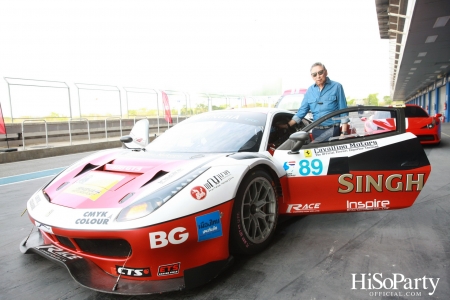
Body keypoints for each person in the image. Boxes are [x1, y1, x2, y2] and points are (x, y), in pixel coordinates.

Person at [282, 62, 349, 140]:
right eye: (314, 74)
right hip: (316, 131)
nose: (318, 76)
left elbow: (343, 110)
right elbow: (302, 111)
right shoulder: (310, 90)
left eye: (320, 73)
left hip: (332, 130)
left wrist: (344, 132)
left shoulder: (337, 87)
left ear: (326, 72)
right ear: (312, 76)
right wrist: (288, 125)